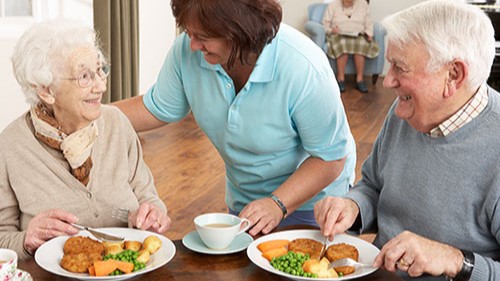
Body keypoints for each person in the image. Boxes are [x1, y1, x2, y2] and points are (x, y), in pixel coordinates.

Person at [114, 0, 356, 237]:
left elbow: (330, 158)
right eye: (189, 32)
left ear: (239, 31)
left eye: (203, 36)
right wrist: (89, 114)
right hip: (247, 201)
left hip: (313, 204)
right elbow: (155, 108)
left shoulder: (303, 67)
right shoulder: (188, 53)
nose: (193, 45)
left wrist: (278, 204)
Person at [314, 0, 499, 280]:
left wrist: (455, 260)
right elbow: (374, 185)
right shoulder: (406, 110)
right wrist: (352, 206)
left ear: (453, 75)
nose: (388, 81)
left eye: (400, 68)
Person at [0, 19, 171, 260]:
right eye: (84, 76)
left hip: (126, 269)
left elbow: (148, 197)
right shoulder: (10, 146)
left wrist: (152, 215)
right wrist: (27, 239)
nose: (101, 85)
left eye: (100, 70)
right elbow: (2, 239)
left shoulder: (117, 124)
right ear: (46, 90)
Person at [322, 0, 380, 93]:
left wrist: (369, 33)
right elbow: (324, 24)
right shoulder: (333, 5)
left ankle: (359, 80)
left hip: (358, 34)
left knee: (361, 44)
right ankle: (340, 79)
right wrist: (331, 30)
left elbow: (369, 23)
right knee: (342, 44)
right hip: (338, 35)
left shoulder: (363, 4)